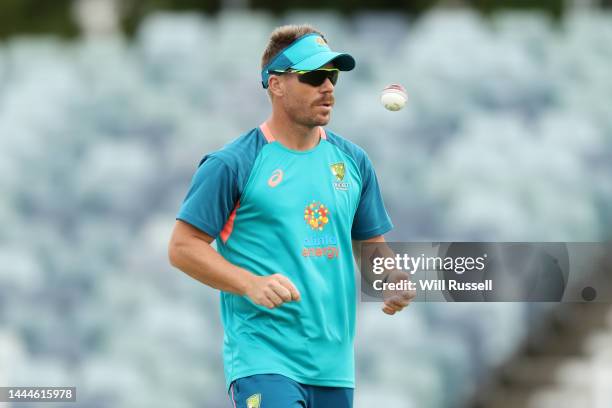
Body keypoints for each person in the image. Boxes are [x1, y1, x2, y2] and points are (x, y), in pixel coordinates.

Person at [168, 24, 414, 408]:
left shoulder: (354, 162)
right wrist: (249, 283)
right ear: (275, 84)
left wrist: (389, 278)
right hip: (262, 360)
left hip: (334, 367)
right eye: (313, 77)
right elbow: (182, 248)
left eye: (331, 76)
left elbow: (371, 250)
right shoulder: (232, 163)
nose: (328, 87)